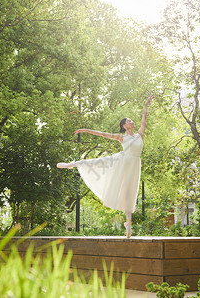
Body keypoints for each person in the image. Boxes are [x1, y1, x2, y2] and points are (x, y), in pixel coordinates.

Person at [57, 95, 154, 238]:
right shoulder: (122, 137)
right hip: (121, 161)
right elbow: (102, 134)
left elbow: (144, 118)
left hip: (134, 165)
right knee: (98, 163)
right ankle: (71, 165)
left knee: (130, 193)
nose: (132, 121)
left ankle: (128, 225)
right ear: (124, 126)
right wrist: (86, 130)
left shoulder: (140, 135)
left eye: (132, 120)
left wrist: (146, 105)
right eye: (129, 121)